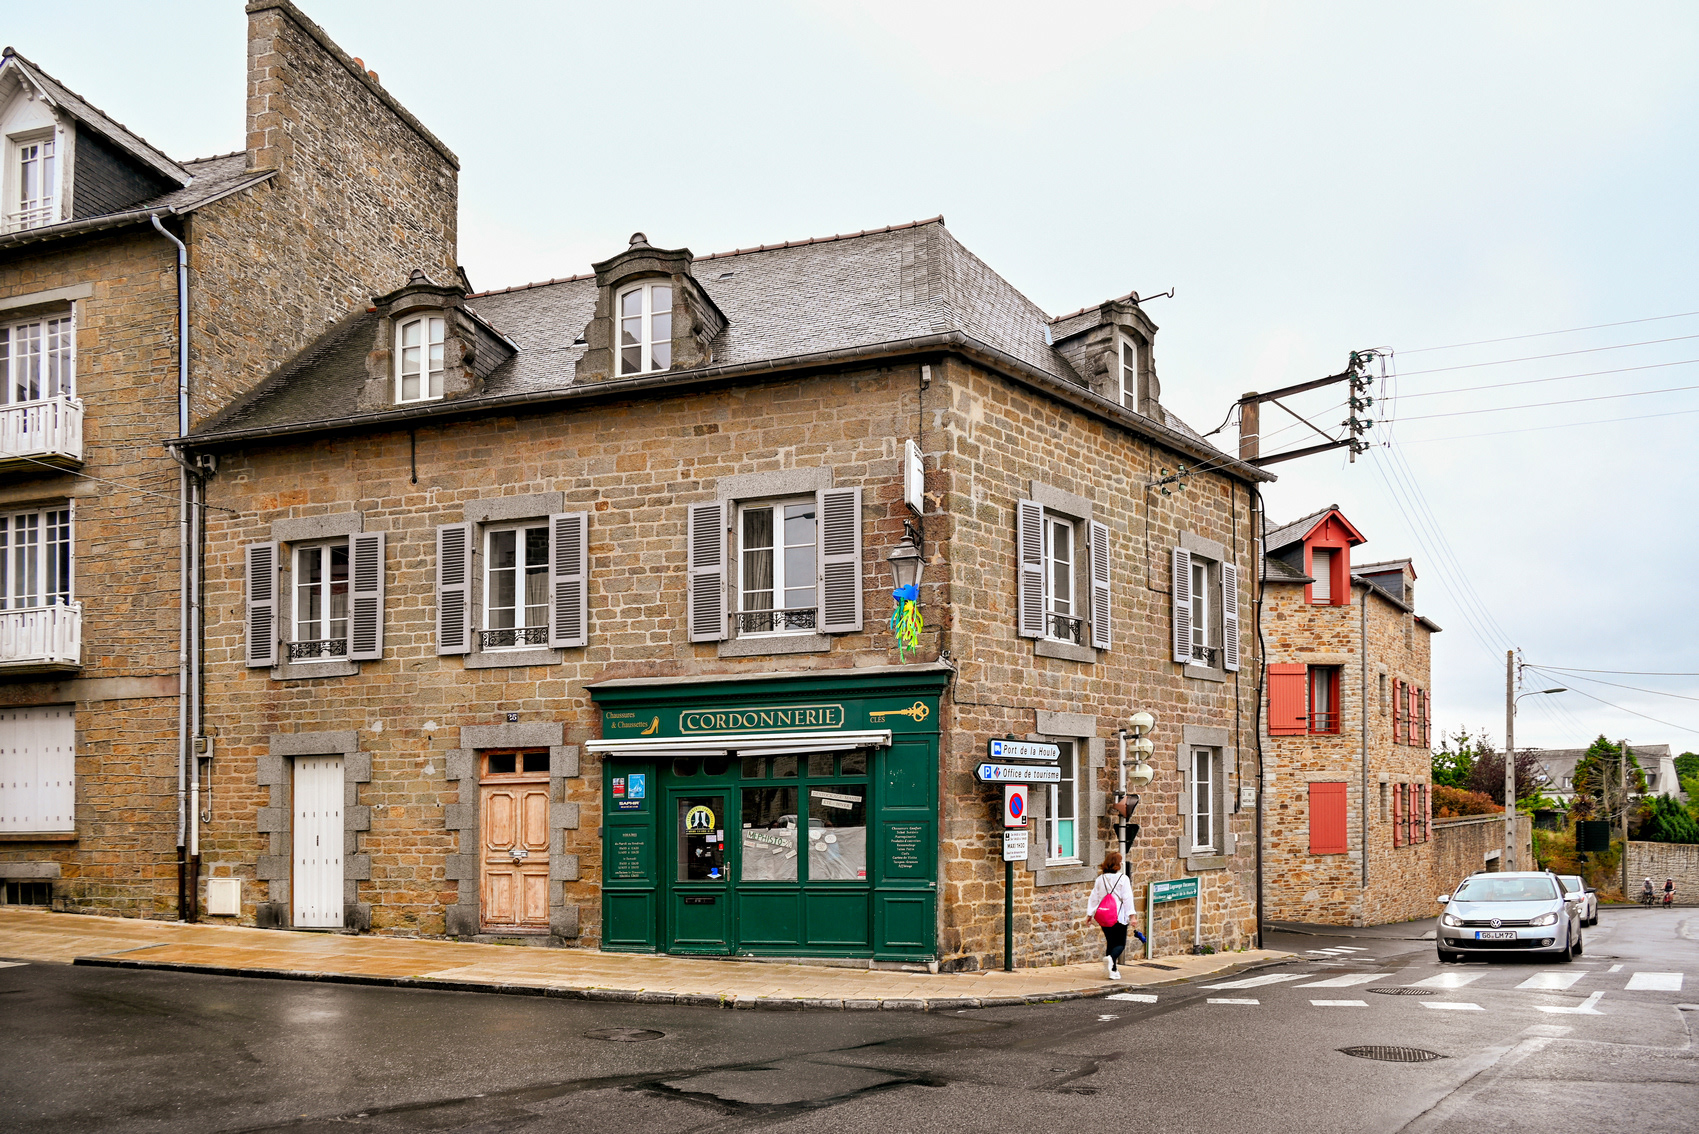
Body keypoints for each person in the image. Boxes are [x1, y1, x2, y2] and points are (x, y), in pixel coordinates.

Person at [1085, 851, 1138, 979]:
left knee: (1111, 942)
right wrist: (1132, 916)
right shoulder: (1123, 879)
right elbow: (1127, 898)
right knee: (1120, 944)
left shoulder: (1100, 879)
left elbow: (1094, 898)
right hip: (1118, 916)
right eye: (1120, 862)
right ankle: (1111, 958)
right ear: (1117, 864)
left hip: (1104, 915)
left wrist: (1090, 914)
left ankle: (1112, 971)